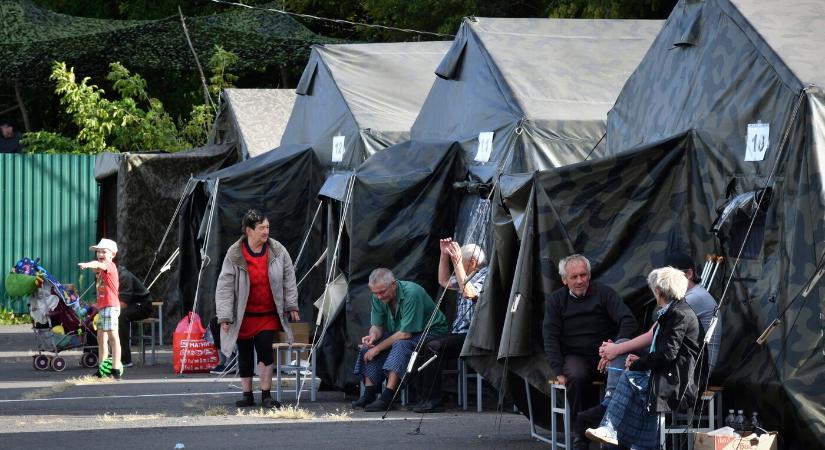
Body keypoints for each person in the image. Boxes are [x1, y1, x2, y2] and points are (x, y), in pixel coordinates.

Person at [586, 267, 703, 450]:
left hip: (679, 381)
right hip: (670, 374)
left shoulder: (678, 314)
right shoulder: (673, 312)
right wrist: (639, 362)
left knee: (630, 377)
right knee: (634, 380)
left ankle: (610, 426)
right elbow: (664, 352)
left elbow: (666, 355)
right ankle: (632, 440)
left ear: (659, 291)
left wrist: (639, 363)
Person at [542, 254, 637, 448]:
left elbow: (628, 321)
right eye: (574, 277)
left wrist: (614, 348)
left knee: (629, 373)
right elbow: (550, 336)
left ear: (589, 275)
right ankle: (580, 435)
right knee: (576, 375)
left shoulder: (604, 294)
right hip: (576, 356)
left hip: (606, 354)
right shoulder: (556, 300)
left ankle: (616, 434)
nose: (579, 281)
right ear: (564, 280)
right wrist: (558, 370)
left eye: (583, 275)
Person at [215, 209, 300, 408]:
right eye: (261, 228)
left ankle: (266, 395)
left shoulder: (278, 250)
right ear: (248, 230)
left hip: (268, 315)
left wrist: (291, 304)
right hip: (243, 315)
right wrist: (225, 315)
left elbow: (289, 278)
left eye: (267, 227)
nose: (265, 231)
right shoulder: (235, 253)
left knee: (264, 348)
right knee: (244, 353)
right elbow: (225, 285)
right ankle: (247, 395)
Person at [598, 251, 719, 376]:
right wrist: (614, 350)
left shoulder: (695, 298)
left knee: (621, 352)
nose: (666, 283)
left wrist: (616, 350)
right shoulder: (687, 297)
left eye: (672, 277)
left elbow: (652, 335)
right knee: (622, 350)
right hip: (679, 359)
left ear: (688, 274)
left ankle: (611, 394)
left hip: (694, 368)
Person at [351, 268, 449, 412]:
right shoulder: (378, 296)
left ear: (394, 285)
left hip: (432, 332)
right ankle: (369, 393)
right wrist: (373, 336)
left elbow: (405, 334)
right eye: (375, 293)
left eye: (382, 292)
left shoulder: (412, 293)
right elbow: (377, 326)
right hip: (403, 333)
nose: (378, 296)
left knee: (401, 344)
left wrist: (377, 349)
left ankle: (388, 397)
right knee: (369, 347)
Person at [414, 238, 488, 413]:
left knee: (433, 347)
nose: (457, 265)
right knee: (420, 345)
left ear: (472, 262)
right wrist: (444, 255)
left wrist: (458, 262)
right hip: (458, 333)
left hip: (474, 335)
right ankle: (423, 398)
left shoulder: (485, 275)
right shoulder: (466, 273)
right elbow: (444, 281)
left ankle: (434, 401)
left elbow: (470, 292)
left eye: (460, 261)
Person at [79, 238, 123, 379]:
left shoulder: (110, 266)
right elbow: (97, 266)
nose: (100, 254)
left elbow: (97, 264)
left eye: (104, 251)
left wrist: (87, 264)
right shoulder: (100, 273)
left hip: (111, 307)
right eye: (98, 251)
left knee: (113, 337)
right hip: (103, 308)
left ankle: (115, 370)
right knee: (101, 338)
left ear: (112, 255)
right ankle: (102, 369)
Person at [116, 266, 153, 368]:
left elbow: (123, 304)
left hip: (143, 305)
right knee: (97, 315)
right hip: (127, 305)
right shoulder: (101, 275)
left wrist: (104, 307)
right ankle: (96, 354)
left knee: (120, 316)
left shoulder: (123, 276)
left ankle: (125, 360)